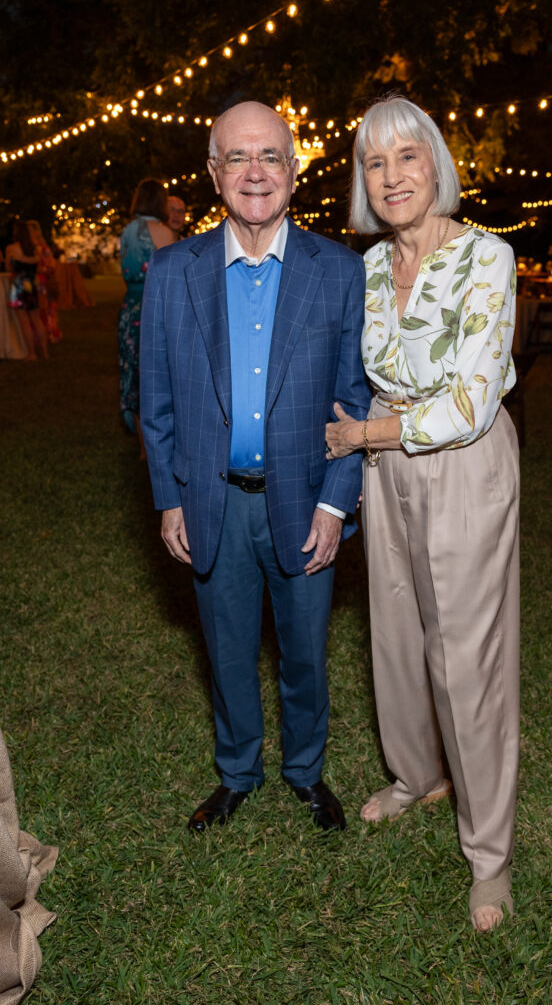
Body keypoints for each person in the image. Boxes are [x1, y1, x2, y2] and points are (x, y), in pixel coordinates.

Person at [140, 101, 369, 834]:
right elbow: (156, 401)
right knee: (228, 650)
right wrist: (170, 499)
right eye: (236, 158)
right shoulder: (174, 271)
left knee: (304, 652)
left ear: (294, 172)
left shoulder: (336, 271)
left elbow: (354, 396)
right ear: (213, 174)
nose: (254, 172)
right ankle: (237, 774)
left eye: (269, 155)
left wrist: (335, 505)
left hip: (305, 503)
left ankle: (305, 773)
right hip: (212, 500)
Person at [325, 96, 520, 931]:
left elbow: (471, 402)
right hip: (386, 467)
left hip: (459, 465)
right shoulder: (365, 266)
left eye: (408, 156)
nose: (392, 175)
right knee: (397, 630)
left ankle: (488, 854)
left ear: (436, 165)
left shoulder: (486, 257)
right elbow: (367, 368)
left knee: (465, 657)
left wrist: (365, 432)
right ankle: (415, 774)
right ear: (362, 182)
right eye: (375, 162)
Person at [117, 179, 174, 456]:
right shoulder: (161, 231)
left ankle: (142, 445)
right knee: (156, 378)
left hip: (129, 308)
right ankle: (153, 448)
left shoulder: (127, 231)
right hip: (153, 308)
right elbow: (174, 279)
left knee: (134, 377)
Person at [5, 220, 49, 360]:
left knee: (24, 321)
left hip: (18, 284)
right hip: (31, 283)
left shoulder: (11, 249)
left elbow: (9, 268)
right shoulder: (35, 248)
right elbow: (37, 265)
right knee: (36, 320)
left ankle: (32, 353)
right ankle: (45, 352)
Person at [27, 220, 62, 343]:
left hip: (42, 282)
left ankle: (48, 334)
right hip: (36, 281)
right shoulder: (29, 247)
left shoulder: (41, 247)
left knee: (45, 310)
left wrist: (39, 269)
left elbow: (50, 265)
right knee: (40, 311)